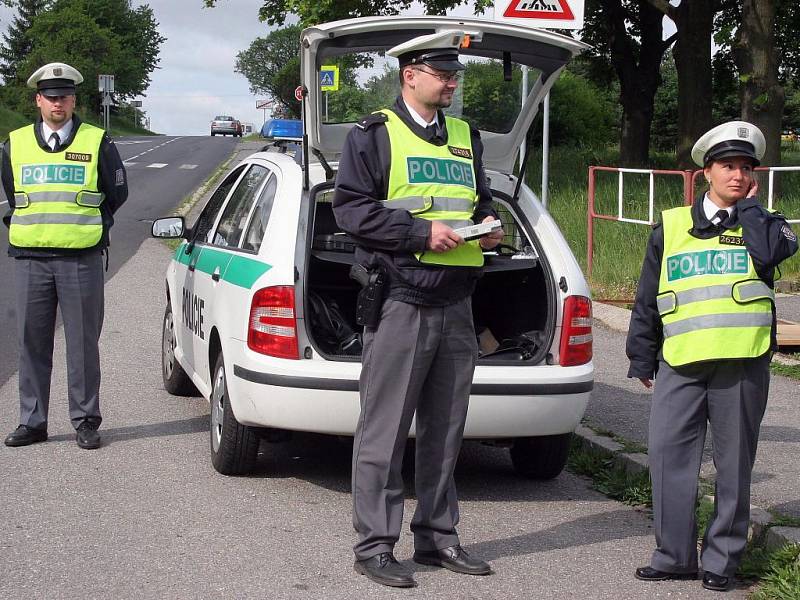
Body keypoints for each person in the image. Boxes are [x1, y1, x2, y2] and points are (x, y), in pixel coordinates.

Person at [332, 30, 504, 588]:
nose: (452, 81)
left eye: (455, 73)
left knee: (447, 430)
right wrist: (419, 232)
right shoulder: (373, 135)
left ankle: (436, 536)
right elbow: (351, 212)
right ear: (411, 74)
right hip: (402, 299)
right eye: (442, 72)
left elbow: (475, 199)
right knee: (384, 431)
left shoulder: (465, 136)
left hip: (458, 302)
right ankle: (376, 545)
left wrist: (488, 226)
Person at [627, 121, 798, 591]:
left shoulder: (768, 223)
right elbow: (648, 293)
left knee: (734, 465)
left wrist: (749, 210)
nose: (737, 175)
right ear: (706, 171)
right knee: (668, 459)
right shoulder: (673, 224)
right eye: (728, 166)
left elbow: (768, 257)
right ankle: (674, 555)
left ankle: (722, 562)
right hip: (680, 361)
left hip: (741, 363)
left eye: (746, 168)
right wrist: (641, 354)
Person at [1, 62, 128, 450]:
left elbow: (117, 191)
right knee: (31, 342)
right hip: (30, 260)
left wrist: (94, 224)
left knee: (83, 343)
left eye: (66, 97)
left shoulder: (97, 141)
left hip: (80, 259)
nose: (59, 103)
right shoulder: (15, 143)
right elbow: (12, 191)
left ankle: (86, 420)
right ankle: (32, 421)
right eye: (52, 97)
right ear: (38, 100)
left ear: (74, 100)